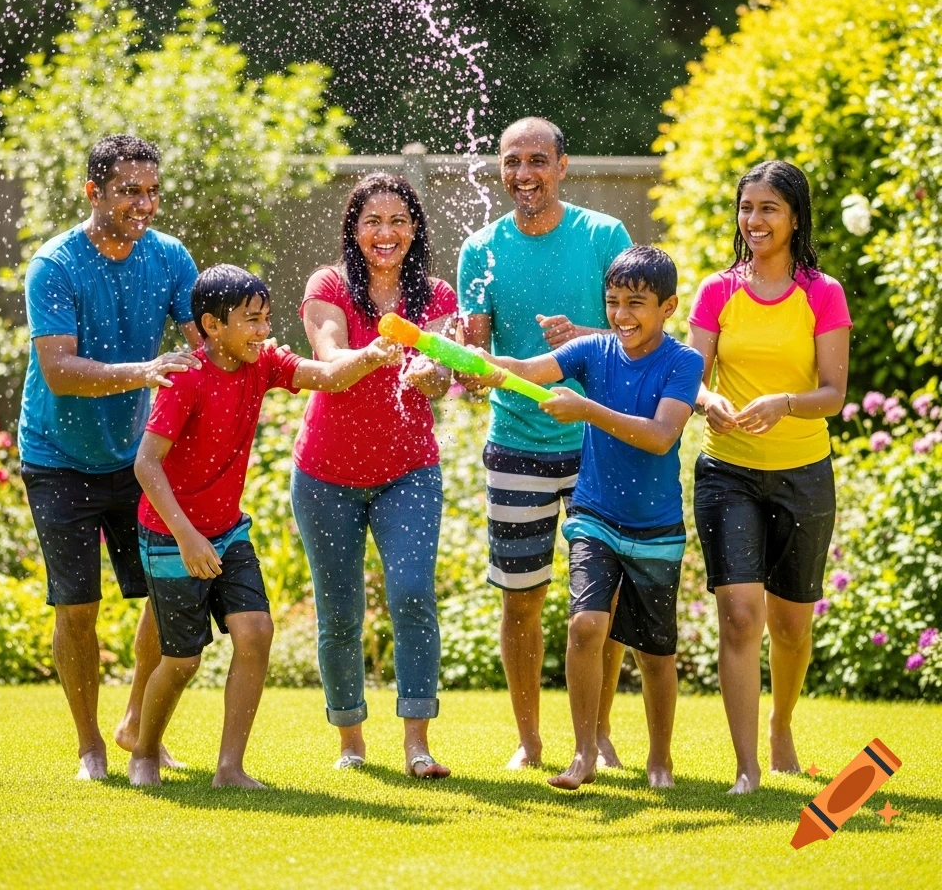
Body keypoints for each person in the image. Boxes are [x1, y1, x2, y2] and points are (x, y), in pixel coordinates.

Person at [131, 265, 399, 788]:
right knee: (182, 660)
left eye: (266, 319)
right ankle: (143, 751)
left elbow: (325, 376)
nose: (262, 331)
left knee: (255, 633)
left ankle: (229, 768)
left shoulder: (264, 363)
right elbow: (146, 464)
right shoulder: (186, 377)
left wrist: (370, 356)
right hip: (172, 535)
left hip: (228, 531)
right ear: (210, 324)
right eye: (251, 321)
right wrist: (186, 536)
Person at [477, 247, 703, 789]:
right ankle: (582, 755)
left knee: (655, 652)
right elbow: (528, 370)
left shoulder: (684, 362)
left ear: (668, 306)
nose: (622, 315)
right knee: (586, 625)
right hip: (594, 514)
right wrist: (479, 366)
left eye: (636, 304)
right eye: (613, 303)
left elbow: (660, 435)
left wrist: (587, 410)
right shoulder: (593, 349)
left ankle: (660, 760)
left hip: (655, 525)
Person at [19, 134, 201, 780]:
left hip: (134, 459)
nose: (144, 204)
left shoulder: (171, 258)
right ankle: (89, 744)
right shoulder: (55, 265)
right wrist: (146, 371)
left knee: (164, 588)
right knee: (77, 607)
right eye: (130, 191)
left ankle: (132, 722)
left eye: (152, 191)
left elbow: (201, 349)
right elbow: (60, 370)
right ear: (93, 191)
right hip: (57, 457)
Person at [456, 116, 633, 769]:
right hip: (516, 442)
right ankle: (530, 742)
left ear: (562, 166)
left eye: (536, 161)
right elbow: (474, 352)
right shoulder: (481, 248)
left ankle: (599, 734)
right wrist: (463, 371)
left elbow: (637, 335)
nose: (523, 174)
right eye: (511, 162)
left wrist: (583, 336)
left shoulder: (603, 236)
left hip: (595, 442)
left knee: (602, 598)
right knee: (521, 598)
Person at [688, 160, 851, 794]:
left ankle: (781, 723)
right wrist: (710, 402)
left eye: (768, 209)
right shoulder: (717, 292)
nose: (753, 221)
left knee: (790, 624)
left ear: (794, 217)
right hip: (727, 472)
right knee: (738, 616)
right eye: (746, 207)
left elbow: (834, 393)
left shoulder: (822, 292)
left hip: (803, 474)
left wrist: (784, 402)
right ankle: (747, 766)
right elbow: (692, 377)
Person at [290, 173, 456, 778]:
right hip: (326, 473)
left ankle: (418, 744)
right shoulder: (329, 285)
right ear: (354, 231)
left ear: (414, 230)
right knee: (339, 612)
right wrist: (369, 357)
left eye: (398, 222)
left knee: (412, 594)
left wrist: (430, 376)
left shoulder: (436, 296)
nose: (385, 234)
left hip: (408, 471)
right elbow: (329, 359)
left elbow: (442, 376)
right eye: (372, 223)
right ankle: (351, 742)